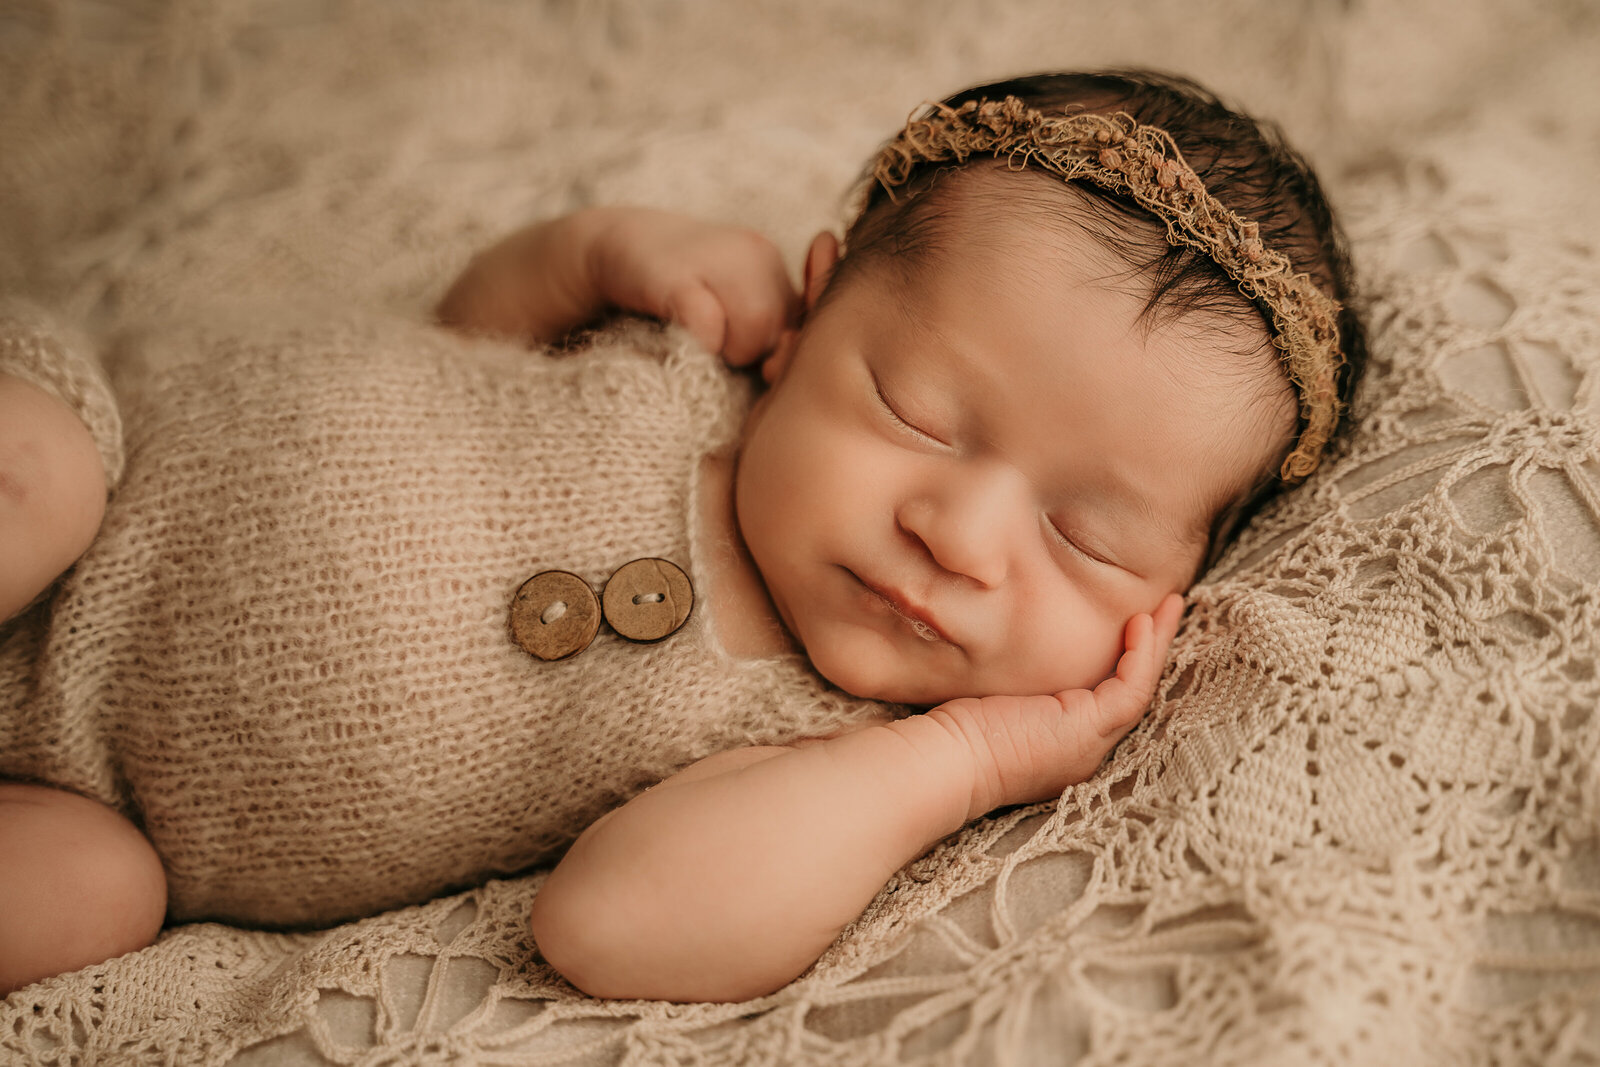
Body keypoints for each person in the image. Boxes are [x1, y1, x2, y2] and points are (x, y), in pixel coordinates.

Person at [0, 70, 1364, 1001]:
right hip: (102, 454)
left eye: (1088, 537)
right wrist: (587, 252)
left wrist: (966, 757)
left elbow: (609, 925)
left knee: (86, 902)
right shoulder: (686, 358)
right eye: (916, 411)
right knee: (31, 478)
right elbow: (455, 347)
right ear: (815, 312)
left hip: (90, 802)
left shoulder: (825, 754)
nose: (959, 534)